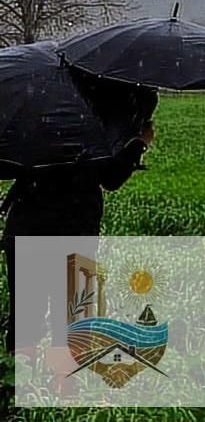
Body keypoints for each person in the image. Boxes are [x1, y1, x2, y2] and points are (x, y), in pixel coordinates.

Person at [1, 89, 156, 358]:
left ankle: (15, 385)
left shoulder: (34, 106)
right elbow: (111, 178)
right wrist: (139, 143)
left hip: (27, 220)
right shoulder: (99, 115)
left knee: (26, 315)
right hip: (74, 225)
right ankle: (62, 388)